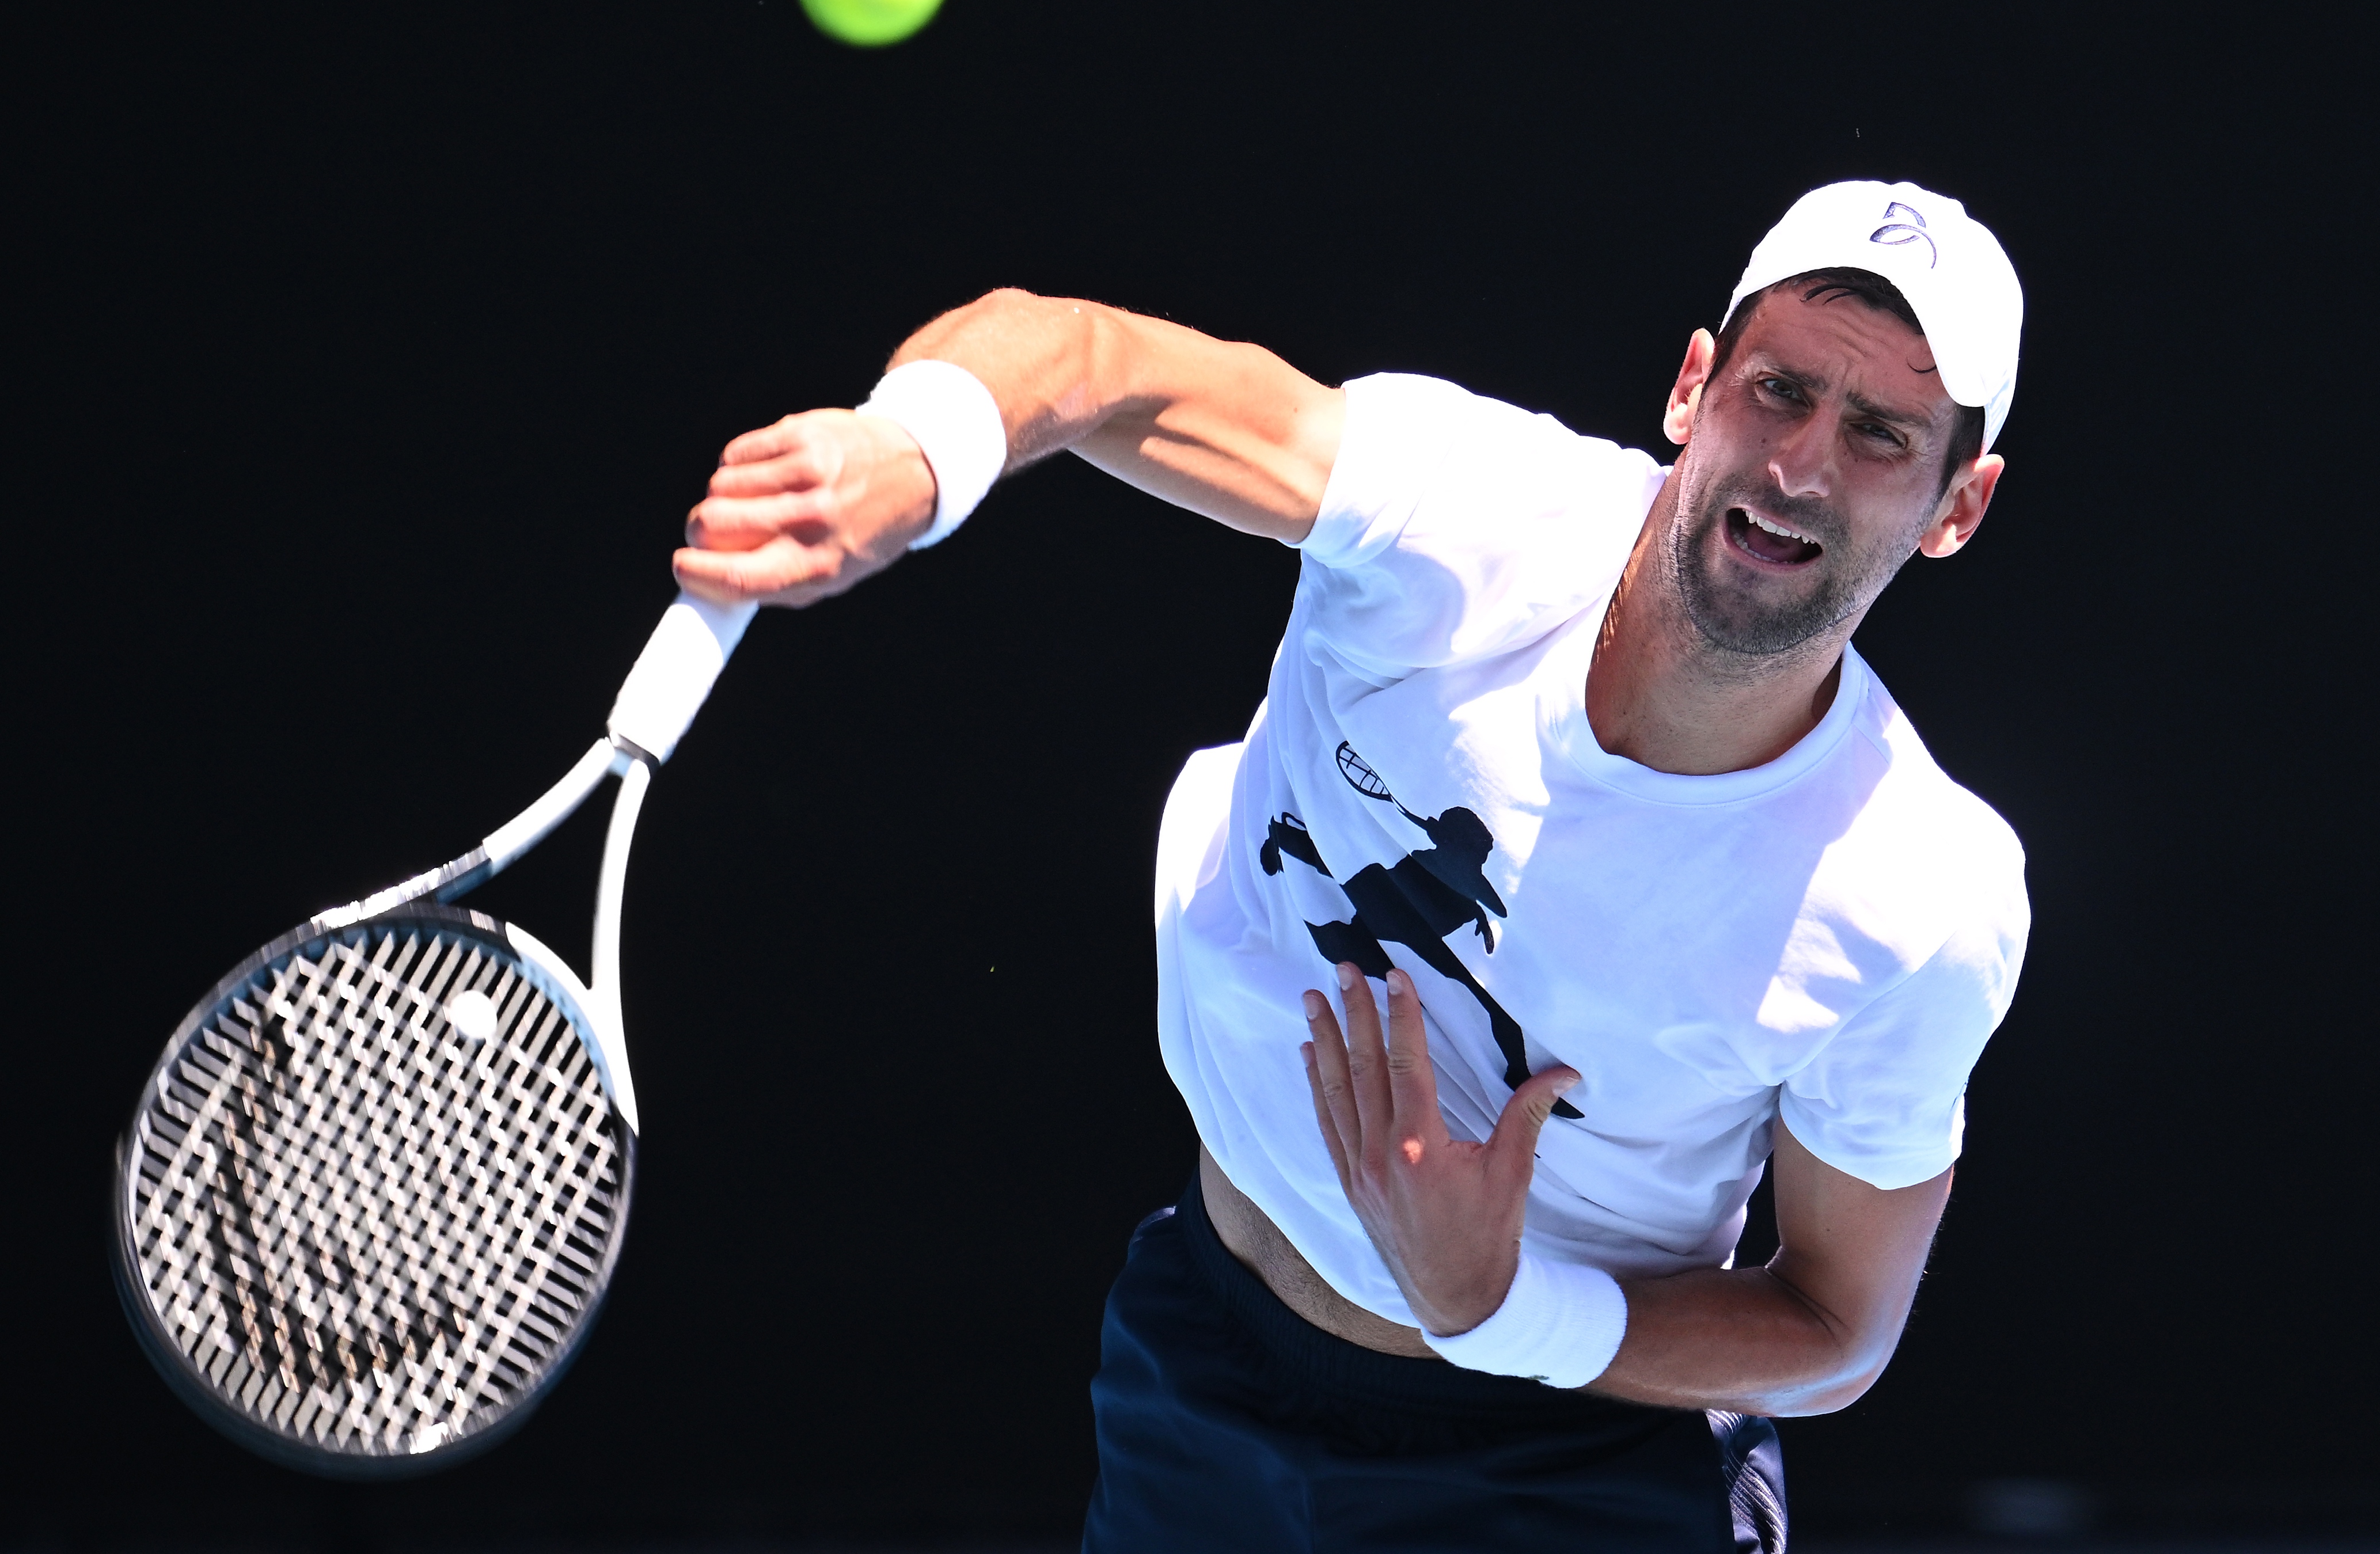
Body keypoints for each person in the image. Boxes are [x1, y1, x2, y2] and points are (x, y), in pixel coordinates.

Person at [674, 181, 2030, 1553]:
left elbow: (1834, 1328)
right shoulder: (1462, 514)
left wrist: (1503, 1311)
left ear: (1955, 506)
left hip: (1567, 1476)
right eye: (1779, 391)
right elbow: (1079, 356)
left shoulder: (1920, 896)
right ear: (1694, 389)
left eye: (1878, 435)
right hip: (1203, 1358)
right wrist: (918, 448)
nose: (1800, 464)